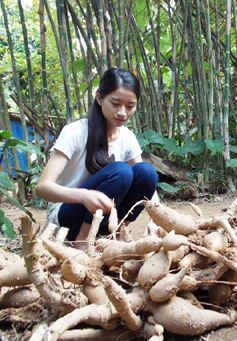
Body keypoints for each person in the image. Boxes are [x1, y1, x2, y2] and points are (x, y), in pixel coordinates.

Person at [37, 67, 159, 250]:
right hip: (67, 218)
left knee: (147, 172)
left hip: (104, 220)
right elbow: (42, 188)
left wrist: (156, 219)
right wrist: (83, 196)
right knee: (121, 171)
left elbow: (149, 186)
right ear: (99, 98)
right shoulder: (75, 132)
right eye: (115, 103)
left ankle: (116, 234)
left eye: (130, 106)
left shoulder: (127, 137)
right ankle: (82, 240)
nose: (122, 113)